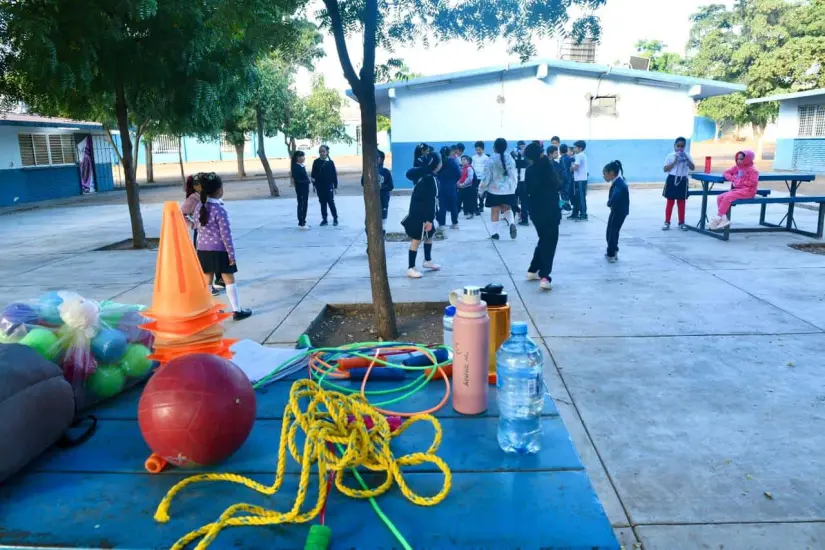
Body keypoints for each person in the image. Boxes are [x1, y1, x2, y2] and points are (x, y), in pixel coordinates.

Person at [194, 172, 252, 320]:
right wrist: (231, 255)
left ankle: (208, 310)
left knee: (207, 280)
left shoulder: (199, 207)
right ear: (219, 190)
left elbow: (196, 226)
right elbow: (226, 235)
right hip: (220, 250)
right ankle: (237, 311)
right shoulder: (219, 210)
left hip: (203, 249)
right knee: (229, 280)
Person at [524, 143, 562, 291]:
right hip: (550, 209)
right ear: (541, 154)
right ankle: (545, 276)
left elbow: (527, 189)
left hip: (536, 211)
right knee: (550, 243)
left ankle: (533, 270)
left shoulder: (529, 170)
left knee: (544, 239)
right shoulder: (548, 167)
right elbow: (558, 185)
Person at [182, 173, 224, 294]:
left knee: (217, 256)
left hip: (215, 233)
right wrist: (193, 225)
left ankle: (219, 279)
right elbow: (181, 214)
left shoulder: (211, 197)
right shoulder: (193, 199)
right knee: (205, 260)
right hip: (201, 234)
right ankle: (206, 286)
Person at [402, 148, 441, 278]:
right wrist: (429, 220)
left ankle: (427, 261)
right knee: (416, 240)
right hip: (421, 216)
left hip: (420, 212)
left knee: (429, 236)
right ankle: (411, 267)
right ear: (436, 165)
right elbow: (431, 201)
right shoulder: (431, 180)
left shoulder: (423, 175)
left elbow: (410, 172)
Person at [710, 150, 759, 230]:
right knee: (720, 197)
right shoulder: (737, 168)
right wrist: (733, 178)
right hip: (738, 190)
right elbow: (726, 172)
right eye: (738, 159)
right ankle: (724, 218)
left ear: (748, 159)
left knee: (728, 197)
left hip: (748, 191)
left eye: (742, 159)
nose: (739, 161)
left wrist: (740, 182)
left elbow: (753, 182)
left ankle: (718, 217)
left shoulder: (753, 170)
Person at [481, 137, 518, 240]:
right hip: (508, 190)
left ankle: (495, 233)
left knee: (495, 211)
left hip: (494, 190)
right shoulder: (510, 159)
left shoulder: (491, 159)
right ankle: (511, 223)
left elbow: (485, 177)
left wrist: (481, 189)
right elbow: (514, 175)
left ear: (494, 148)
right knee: (507, 208)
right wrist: (513, 188)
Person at [662, 137, 695, 230]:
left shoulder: (687, 155)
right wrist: (675, 161)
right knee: (670, 202)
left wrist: (686, 159)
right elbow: (665, 169)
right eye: (678, 146)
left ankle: (681, 222)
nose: (680, 148)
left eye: (682, 146)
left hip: (683, 179)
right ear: (674, 146)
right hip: (672, 179)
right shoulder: (670, 156)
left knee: (681, 202)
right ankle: (667, 222)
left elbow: (692, 168)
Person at [605, 160, 629, 263]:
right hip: (617, 210)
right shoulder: (618, 181)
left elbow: (615, 196)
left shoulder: (619, 184)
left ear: (611, 173)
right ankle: (613, 251)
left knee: (612, 232)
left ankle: (612, 254)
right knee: (611, 231)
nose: (604, 176)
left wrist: (609, 203)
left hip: (619, 211)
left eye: (605, 174)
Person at [310, 144, 339, 226]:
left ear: (327, 152)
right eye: (320, 152)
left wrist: (335, 186)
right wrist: (314, 185)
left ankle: (335, 218)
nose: (322, 153)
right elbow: (313, 174)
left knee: (331, 202)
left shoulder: (330, 163)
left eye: (323, 151)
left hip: (329, 186)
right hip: (319, 186)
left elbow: (334, 175)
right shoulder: (316, 162)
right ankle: (324, 219)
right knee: (322, 203)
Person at [436, 146, 460, 229]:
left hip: (441, 187)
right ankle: (455, 223)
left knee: (442, 206)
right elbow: (458, 173)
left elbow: (436, 173)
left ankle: (442, 224)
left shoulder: (439, 162)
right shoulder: (452, 162)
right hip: (452, 186)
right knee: (453, 205)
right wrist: (454, 181)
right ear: (450, 153)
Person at [511, 140, 530, 226]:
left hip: (516, 181)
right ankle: (524, 220)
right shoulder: (527, 155)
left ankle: (511, 219)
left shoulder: (512, 154)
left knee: (513, 201)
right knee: (524, 202)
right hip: (524, 182)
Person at [292, 151, 311, 230]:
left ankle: (303, 221)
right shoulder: (296, 167)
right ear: (298, 158)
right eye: (302, 156)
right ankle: (301, 222)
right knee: (302, 205)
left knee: (304, 204)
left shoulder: (301, 166)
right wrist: (307, 181)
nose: (304, 158)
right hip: (301, 189)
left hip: (305, 189)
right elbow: (297, 180)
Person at [570, 140, 589, 221]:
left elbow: (575, 167)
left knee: (581, 198)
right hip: (581, 179)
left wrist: (571, 167)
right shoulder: (582, 155)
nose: (574, 149)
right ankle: (577, 213)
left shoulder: (579, 155)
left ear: (580, 148)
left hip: (580, 180)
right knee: (579, 197)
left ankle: (583, 214)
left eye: (575, 147)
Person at [471, 141, 489, 215]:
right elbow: (472, 166)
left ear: (483, 149)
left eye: (479, 149)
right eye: (477, 149)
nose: (478, 151)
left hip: (482, 177)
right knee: (475, 192)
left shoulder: (486, 158)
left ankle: (481, 205)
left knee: (481, 192)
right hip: (475, 177)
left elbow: (487, 168)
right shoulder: (473, 157)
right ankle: (476, 207)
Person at [558, 144, 574, 212]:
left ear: (560, 151)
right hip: (569, 177)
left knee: (564, 194)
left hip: (565, 179)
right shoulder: (569, 158)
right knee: (566, 193)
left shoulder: (563, 158)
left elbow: (563, 169)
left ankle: (565, 207)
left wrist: (562, 179)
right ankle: (565, 206)